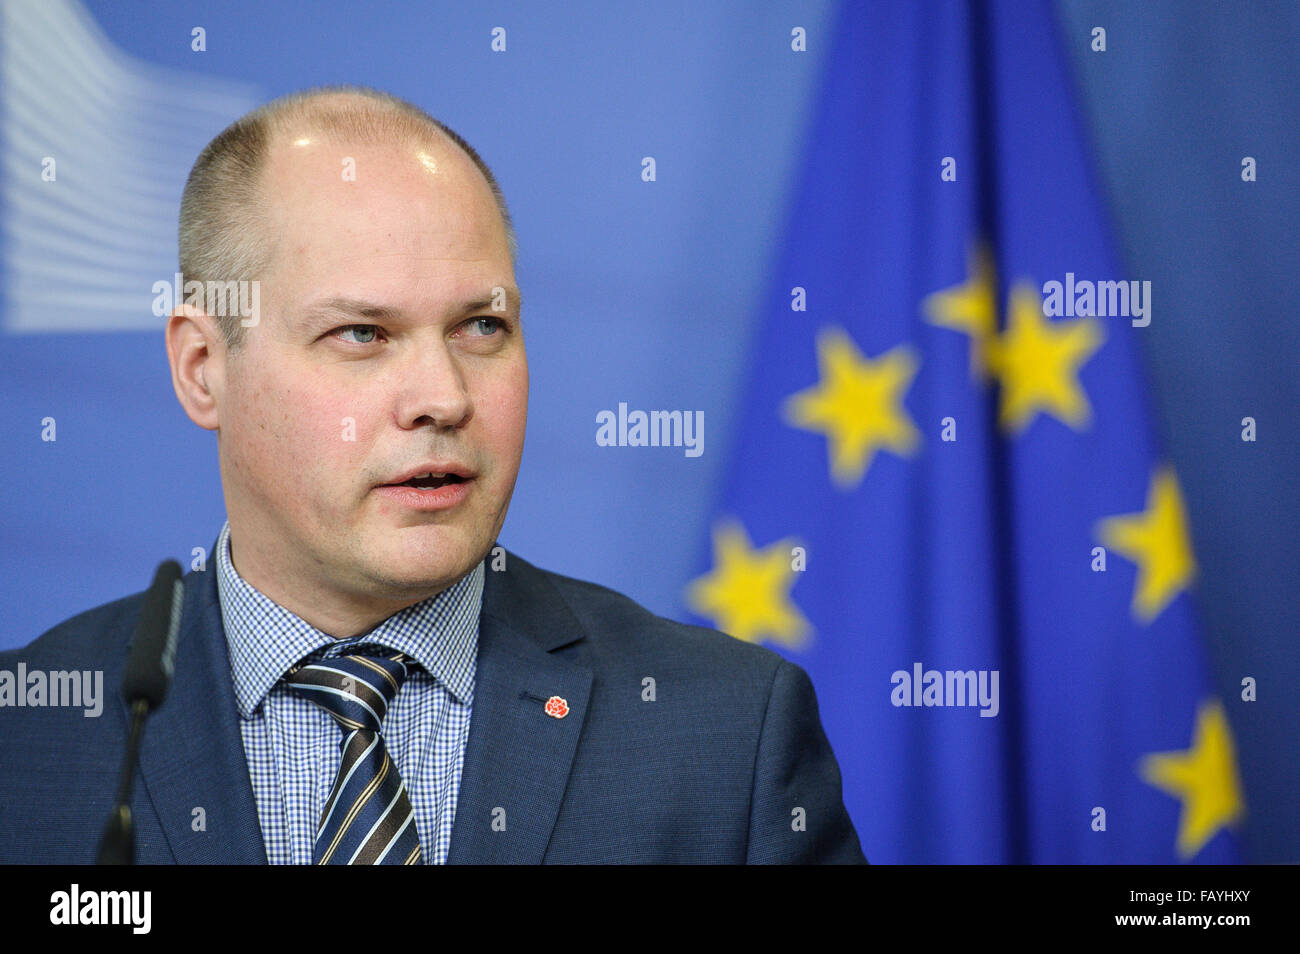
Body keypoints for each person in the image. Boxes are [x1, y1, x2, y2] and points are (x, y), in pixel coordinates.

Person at [0, 86, 866, 864]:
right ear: (201, 367)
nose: (444, 398)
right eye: (362, 334)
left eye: (481, 328)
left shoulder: (723, 735)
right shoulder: (28, 739)